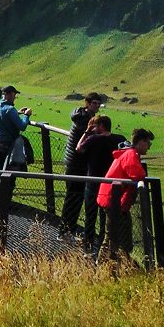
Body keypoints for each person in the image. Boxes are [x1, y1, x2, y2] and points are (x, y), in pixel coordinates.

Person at [97, 128, 154, 260]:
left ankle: (112, 263)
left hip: (113, 199)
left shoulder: (128, 153)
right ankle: (105, 265)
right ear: (140, 142)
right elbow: (137, 174)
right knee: (112, 236)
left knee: (114, 234)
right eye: (148, 144)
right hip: (113, 200)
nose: (149, 147)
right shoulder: (130, 154)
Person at [75, 115, 126, 254]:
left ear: (101, 126)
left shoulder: (93, 139)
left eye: (95, 126)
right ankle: (105, 249)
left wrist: (86, 131)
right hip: (110, 184)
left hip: (92, 182)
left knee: (90, 216)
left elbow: (78, 148)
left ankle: (88, 248)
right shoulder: (119, 139)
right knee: (106, 218)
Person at [60, 92, 104, 235]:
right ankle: (66, 230)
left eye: (98, 103)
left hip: (74, 161)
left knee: (73, 197)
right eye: (94, 103)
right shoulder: (86, 121)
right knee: (74, 197)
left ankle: (67, 229)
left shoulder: (80, 115)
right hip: (77, 163)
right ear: (87, 103)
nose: (96, 106)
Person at [0, 85, 32, 204]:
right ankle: (6, 202)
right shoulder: (10, 109)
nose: (15, 97)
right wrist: (26, 115)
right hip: (10, 146)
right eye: (14, 95)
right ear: (9, 94)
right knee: (10, 174)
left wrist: (17, 113)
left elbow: (5, 118)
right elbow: (22, 126)